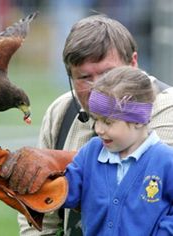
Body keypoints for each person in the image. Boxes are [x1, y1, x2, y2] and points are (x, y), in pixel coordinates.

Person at [10, 13, 173, 236]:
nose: (98, 88)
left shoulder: (167, 108)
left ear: (133, 64)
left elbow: (141, 184)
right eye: (85, 77)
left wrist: (53, 164)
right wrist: (27, 184)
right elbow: (40, 220)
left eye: (108, 73)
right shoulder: (62, 112)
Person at [55, 66, 173, 235]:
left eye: (108, 122)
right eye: (96, 119)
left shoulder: (166, 161)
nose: (99, 129)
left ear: (138, 121)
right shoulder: (91, 152)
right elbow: (67, 192)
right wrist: (41, 186)